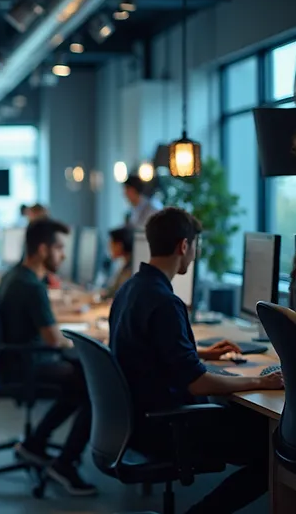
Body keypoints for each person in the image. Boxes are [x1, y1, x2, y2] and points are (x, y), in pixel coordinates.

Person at [110, 207, 282, 514]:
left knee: (251, 423)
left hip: (136, 420)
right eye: (194, 247)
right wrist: (261, 380)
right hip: (166, 425)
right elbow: (199, 384)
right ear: (184, 246)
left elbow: (143, 348)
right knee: (270, 449)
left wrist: (201, 353)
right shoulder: (165, 302)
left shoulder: (130, 289)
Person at [0, 218, 96, 496]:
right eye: (59, 248)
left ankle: (36, 442)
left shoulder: (15, 276)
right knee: (92, 384)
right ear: (43, 250)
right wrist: (92, 344)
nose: (63, 255)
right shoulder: (31, 287)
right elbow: (54, 341)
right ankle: (65, 463)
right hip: (26, 364)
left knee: (79, 378)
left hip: (15, 361)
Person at [101, 226, 133, 300]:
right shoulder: (125, 265)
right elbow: (112, 292)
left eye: (111, 243)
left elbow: (116, 295)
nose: (109, 248)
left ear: (119, 245)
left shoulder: (131, 270)